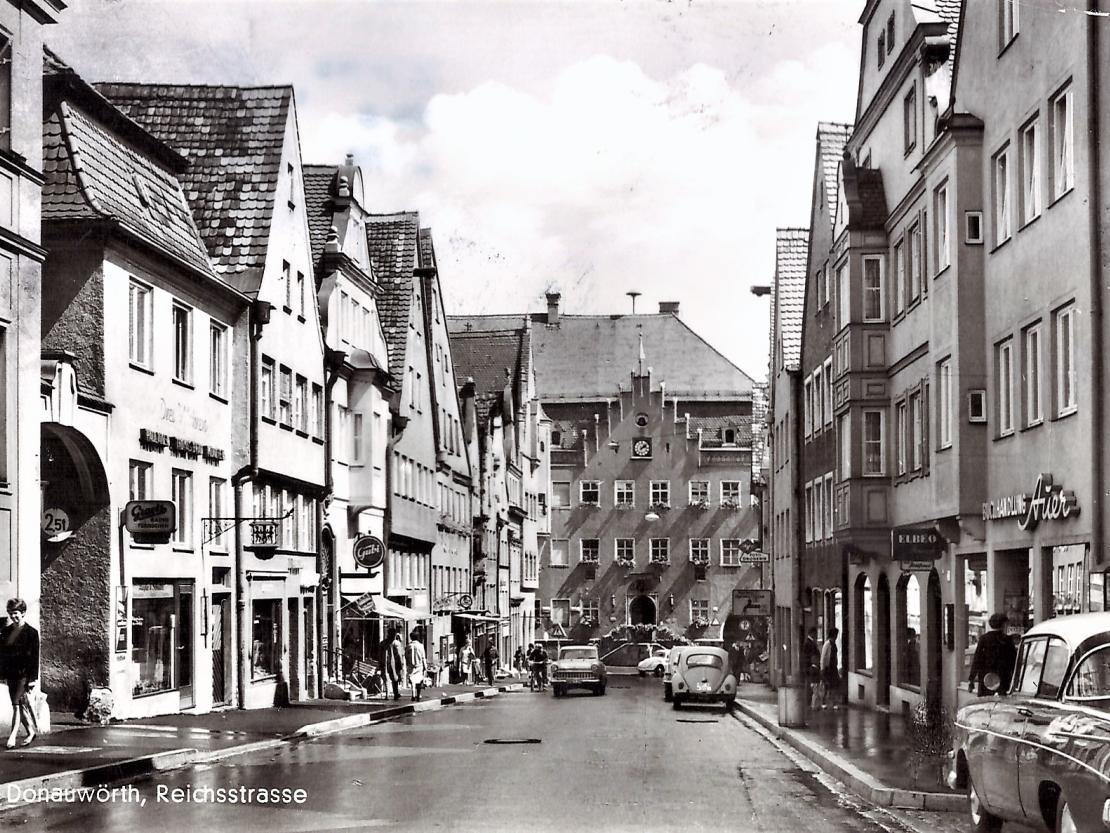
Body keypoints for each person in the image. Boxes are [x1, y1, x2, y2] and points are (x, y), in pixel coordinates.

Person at [1, 599, 38, 748]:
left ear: (23, 613)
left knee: (16, 705)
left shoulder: (31, 633)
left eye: (15, 613)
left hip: (24, 675)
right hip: (11, 674)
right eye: (10, 613)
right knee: (18, 705)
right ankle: (30, 731)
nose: (13, 616)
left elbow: (34, 657)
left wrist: (33, 679)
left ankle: (12, 736)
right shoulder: (6, 631)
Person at [968, 613, 1017, 696]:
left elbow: (977, 660)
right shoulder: (1007, 640)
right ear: (1003, 624)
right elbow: (1013, 661)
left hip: (986, 680)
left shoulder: (984, 639)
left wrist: (971, 679)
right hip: (1003, 680)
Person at [819, 627, 841, 710]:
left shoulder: (833, 644)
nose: (836, 637)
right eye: (836, 635)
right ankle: (823, 702)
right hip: (828, 667)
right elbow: (823, 657)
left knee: (835, 685)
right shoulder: (827, 644)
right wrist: (822, 668)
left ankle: (834, 702)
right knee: (827, 685)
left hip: (833, 667)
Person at [406, 631, 428, 701]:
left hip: (411, 665)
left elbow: (406, 656)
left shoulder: (408, 646)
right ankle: (418, 695)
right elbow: (423, 657)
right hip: (419, 665)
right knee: (419, 680)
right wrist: (425, 666)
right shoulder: (420, 646)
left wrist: (407, 663)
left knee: (412, 680)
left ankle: (413, 694)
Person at [384, 629, 405, 700]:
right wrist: (401, 663)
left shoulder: (383, 643)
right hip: (395, 663)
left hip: (385, 662)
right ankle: (395, 693)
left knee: (387, 678)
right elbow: (399, 654)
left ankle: (387, 694)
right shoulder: (396, 643)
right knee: (395, 679)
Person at [802, 628, 821, 706]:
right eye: (815, 634)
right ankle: (810, 703)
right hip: (811, 668)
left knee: (812, 685)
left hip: (810, 667)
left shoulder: (810, 642)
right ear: (812, 633)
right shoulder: (809, 643)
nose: (816, 635)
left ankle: (811, 702)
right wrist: (812, 665)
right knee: (811, 686)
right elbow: (808, 656)